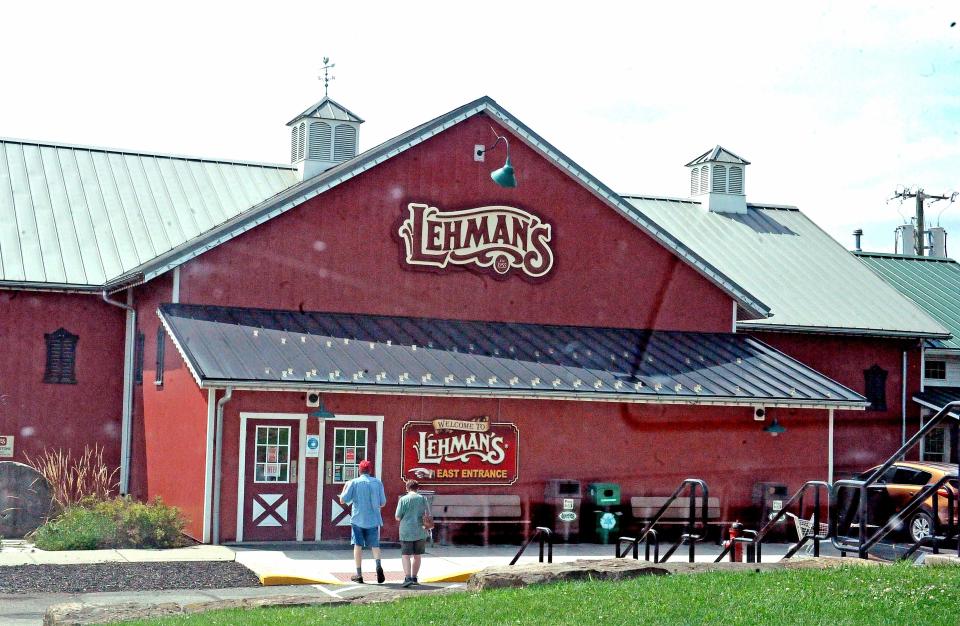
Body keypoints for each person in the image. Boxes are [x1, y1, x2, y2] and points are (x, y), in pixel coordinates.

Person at [339, 459, 386, 583]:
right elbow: (383, 503)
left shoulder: (354, 483)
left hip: (358, 519)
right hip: (373, 519)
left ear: (359, 470)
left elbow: (343, 500)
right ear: (370, 470)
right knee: (375, 545)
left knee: (358, 545)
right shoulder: (378, 483)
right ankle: (378, 566)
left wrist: (345, 486)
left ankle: (359, 574)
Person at [395, 479, 430, 587]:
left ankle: (407, 577)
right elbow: (428, 514)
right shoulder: (423, 499)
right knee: (417, 555)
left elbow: (397, 516)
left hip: (406, 531)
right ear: (417, 488)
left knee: (405, 555)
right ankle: (414, 577)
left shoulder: (403, 499)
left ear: (407, 488)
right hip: (420, 531)